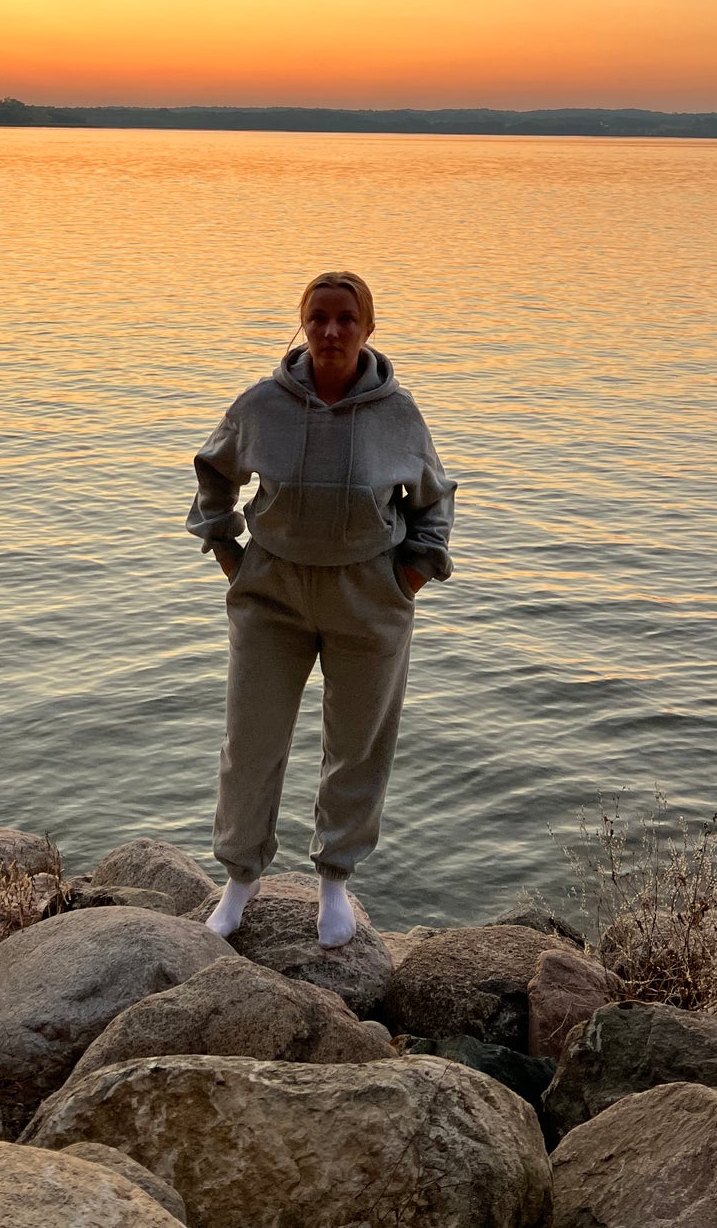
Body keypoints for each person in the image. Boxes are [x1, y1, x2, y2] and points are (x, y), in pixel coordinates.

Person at [187, 270, 456, 947]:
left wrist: (412, 573)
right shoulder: (261, 404)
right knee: (251, 740)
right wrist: (228, 549)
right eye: (318, 317)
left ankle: (334, 879)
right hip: (270, 592)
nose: (331, 331)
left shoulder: (397, 412)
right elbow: (213, 472)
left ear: (368, 326)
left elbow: (433, 499)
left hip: (368, 595)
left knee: (357, 744)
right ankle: (240, 877)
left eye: (345, 319)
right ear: (301, 322)